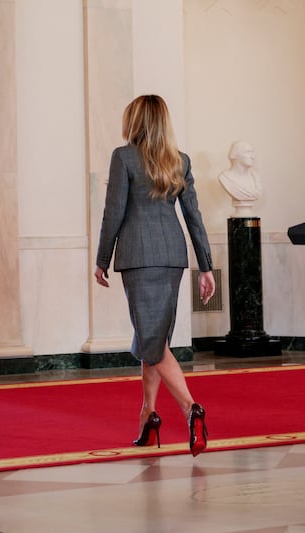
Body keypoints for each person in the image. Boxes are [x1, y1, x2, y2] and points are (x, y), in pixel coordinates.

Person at [94, 94, 216, 457]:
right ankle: (148, 414)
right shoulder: (180, 161)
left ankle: (190, 408)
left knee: (153, 341)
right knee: (152, 335)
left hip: (139, 258)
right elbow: (194, 216)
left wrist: (102, 259)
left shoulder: (124, 157)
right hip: (172, 258)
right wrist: (205, 267)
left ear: (135, 121)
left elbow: (112, 213)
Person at [218, 140, 263, 217]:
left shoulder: (255, 178)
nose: (252, 157)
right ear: (234, 155)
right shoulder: (225, 178)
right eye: (248, 152)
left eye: (252, 152)